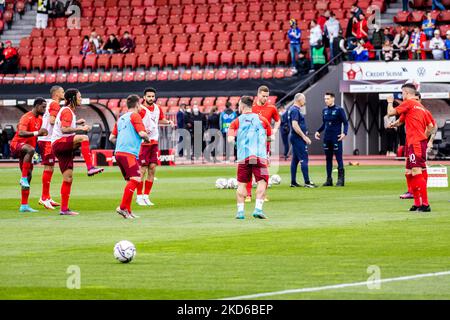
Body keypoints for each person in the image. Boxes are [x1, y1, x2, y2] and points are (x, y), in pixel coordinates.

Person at [51, 89, 104, 216]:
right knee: (84, 138)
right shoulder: (67, 111)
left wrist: (76, 122)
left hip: (61, 146)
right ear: (73, 98)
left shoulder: (69, 111)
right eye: (79, 96)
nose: (81, 98)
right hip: (59, 143)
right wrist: (80, 128)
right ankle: (90, 167)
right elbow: (64, 129)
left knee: (68, 178)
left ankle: (64, 209)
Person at [386, 84, 435, 212]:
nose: (402, 96)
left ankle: (425, 204)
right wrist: (424, 137)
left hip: (415, 142)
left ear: (406, 93)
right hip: (414, 143)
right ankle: (417, 203)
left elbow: (390, 113)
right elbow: (431, 127)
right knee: (409, 172)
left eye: (402, 94)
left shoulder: (409, 103)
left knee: (416, 171)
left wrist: (390, 102)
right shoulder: (422, 108)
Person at [227, 96, 272, 220]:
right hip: (260, 158)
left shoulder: (236, 121)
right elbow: (270, 137)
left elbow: (230, 139)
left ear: (241, 106)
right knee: (262, 181)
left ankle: (240, 212)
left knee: (241, 184)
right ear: (251, 105)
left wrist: (237, 143)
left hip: (243, 158)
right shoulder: (263, 120)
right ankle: (258, 209)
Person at [109, 95, 150, 219]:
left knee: (130, 181)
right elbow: (142, 133)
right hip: (129, 153)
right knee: (136, 179)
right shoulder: (135, 116)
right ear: (137, 105)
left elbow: (111, 138)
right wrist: (147, 139)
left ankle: (128, 211)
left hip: (119, 153)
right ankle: (122, 208)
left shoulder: (121, 118)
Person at [135, 88, 174, 206]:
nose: (151, 98)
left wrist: (167, 122)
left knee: (152, 168)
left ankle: (146, 196)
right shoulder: (140, 109)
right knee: (142, 169)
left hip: (154, 141)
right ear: (144, 97)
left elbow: (159, 120)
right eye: (149, 96)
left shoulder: (157, 108)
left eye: (153, 96)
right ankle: (139, 197)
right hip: (143, 142)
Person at [10, 98, 47, 212]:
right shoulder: (26, 117)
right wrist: (37, 133)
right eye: (43, 107)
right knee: (30, 150)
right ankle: (23, 178)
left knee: (29, 175)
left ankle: (24, 205)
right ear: (36, 106)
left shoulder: (39, 119)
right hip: (17, 144)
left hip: (27, 151)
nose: (45, 109)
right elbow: (21, 132)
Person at [247, 85, 280, 202]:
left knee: (263, 169)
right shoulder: (250, 107)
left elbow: (278, 120)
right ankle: (248, 195)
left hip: (264, 145)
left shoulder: (272, 108)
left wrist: (274, 130)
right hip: (251, 144)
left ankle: (262, 195)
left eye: (267, 96)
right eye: (263, 96)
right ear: (258, 95)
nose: (265, 98)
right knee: (250, 168)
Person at [37, 86, 65, 210]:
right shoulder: (54, 104)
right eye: (62, 91)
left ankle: (47, 197)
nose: (63, 93)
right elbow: (53, 121)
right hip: (47, 139)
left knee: (50, 167)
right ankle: (44, 197)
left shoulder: (49, 103)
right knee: (48, 167)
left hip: (45, 139)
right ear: (57, 93)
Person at [314, 92, 349, 187]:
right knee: (328, 159)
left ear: (333, 99)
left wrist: (344, 133)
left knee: (339, 159)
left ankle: (340, 180)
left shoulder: (339, 110)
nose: (326, 100)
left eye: (328, 99)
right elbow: (324, 124)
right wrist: (318, 131)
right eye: (325, 99)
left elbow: (346, 123)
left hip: (336, 138)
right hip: (327, 138)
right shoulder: (324, 110)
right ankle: (329, 180)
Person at [288, 93, 316, 188]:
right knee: (304, 158)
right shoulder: (295, 110)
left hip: (295, 137)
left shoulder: (293, 110)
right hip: (297, 138)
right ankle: (307, 182)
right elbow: (295, 125)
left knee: (295, 160)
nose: (305, 101)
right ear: (299, 100)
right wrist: (304, 136)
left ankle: (293, 182)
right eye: (304, 99)